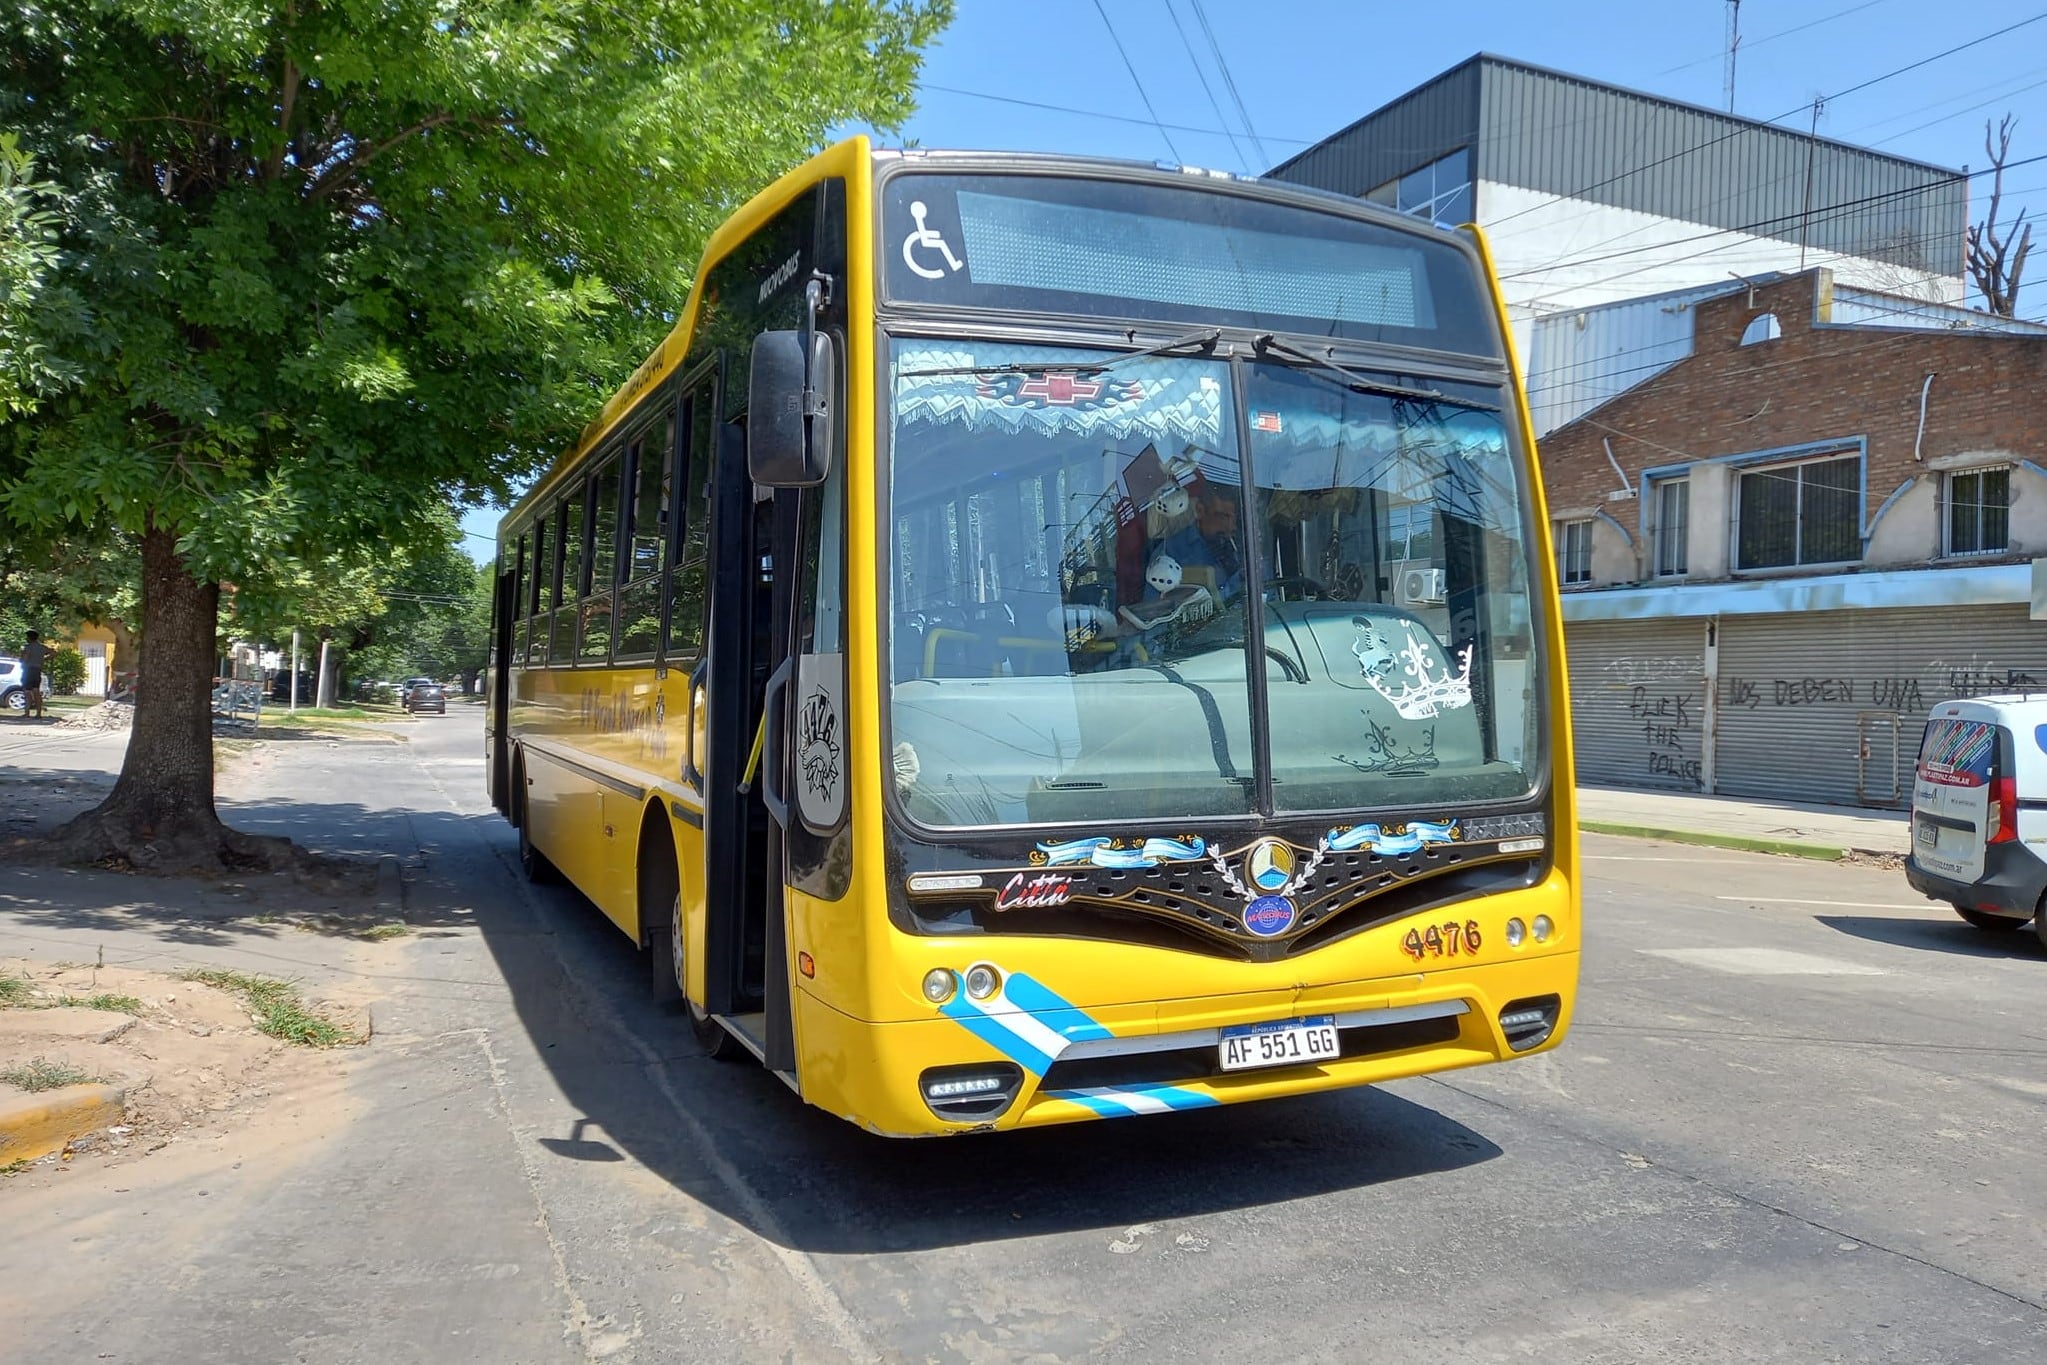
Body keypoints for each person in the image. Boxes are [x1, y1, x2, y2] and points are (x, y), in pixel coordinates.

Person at [19, 629, 46, 719]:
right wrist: (43, 659)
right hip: (37, 670)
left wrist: (22, 659)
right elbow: (54, 653)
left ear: (29, 638)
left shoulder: (28, 647)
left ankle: (27, 713)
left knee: (27, 692)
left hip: (29, 670)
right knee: (36, 692)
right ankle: (38, 714)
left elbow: (25, 658)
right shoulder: (42, 647)